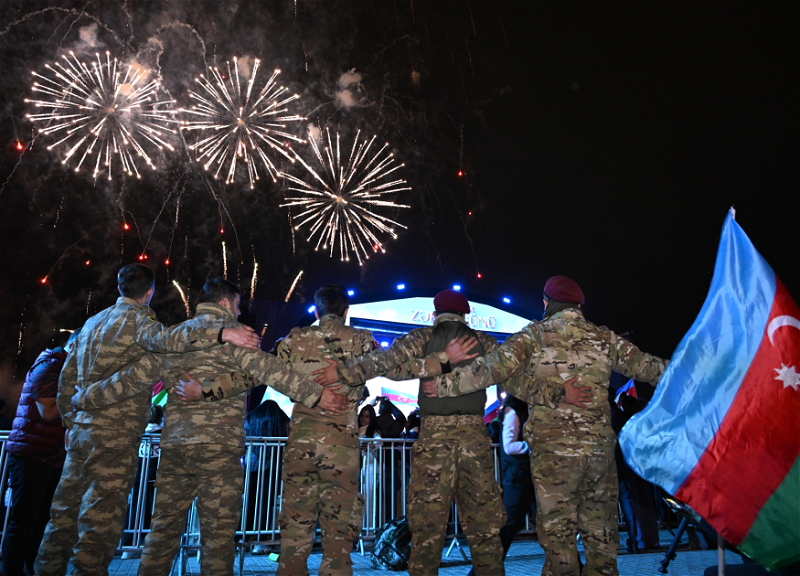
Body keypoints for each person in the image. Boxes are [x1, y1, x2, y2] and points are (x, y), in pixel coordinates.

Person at [71, 278, 350, 576]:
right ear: (226, 303)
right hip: (220, 451)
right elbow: (276, 373)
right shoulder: (238, 338)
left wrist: (84, 398)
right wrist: (319, 396)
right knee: (217, 540)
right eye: (238, 304)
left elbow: (131, 379)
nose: (239, 311)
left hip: (176, 449)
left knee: (161, 535)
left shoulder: (172, 339)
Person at [424, 276, 667, 576]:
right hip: (599, 458)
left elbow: (489, 371)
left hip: (554, 460)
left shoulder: (533, 336)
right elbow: (651, 368)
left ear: (545, 303)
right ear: (578, 305)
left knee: (559, 543)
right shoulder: (604, 339)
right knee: (602, 540)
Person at [35, 264, 259, 576]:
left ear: (119, 287)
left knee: (62, 515)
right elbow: (168, 347)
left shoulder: (92, 323)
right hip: (115, 433)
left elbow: (67, 378)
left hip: (80, 433)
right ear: (150, 292)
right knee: (99, 521)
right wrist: (222, 332)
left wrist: (72, 421)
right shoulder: (142, 323)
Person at [3, 328, 80, 576]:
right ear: (74, 345)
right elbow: (47, 412)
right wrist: (80, 396)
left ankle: (31, 569)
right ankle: (12, 571)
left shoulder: (63, 369)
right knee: (23, 521)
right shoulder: (49, 367)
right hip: (31, 453)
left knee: (41, 523)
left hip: (49, 455)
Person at [494, 394, 537, 570]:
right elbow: (509, 446)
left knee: (549, 524)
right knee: (508, 527)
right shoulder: (513, 413)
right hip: (517, 478)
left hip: (525, 476)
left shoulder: (521, 411)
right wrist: (533, 446)